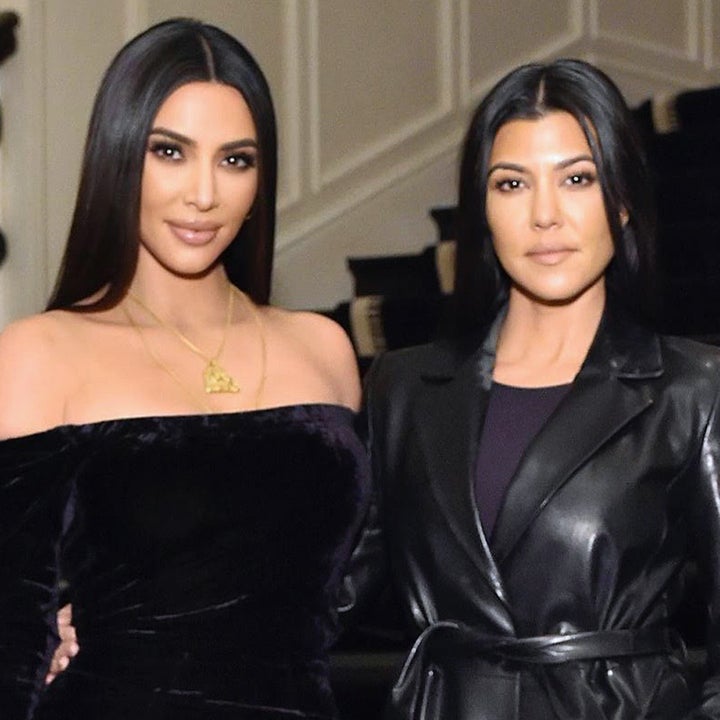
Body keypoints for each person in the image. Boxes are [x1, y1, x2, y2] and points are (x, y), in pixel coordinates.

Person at [0, 17, 369, 720]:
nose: (204, 193)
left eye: (236, 160)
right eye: (169, 151)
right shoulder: (38, 355)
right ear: (118, 155)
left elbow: (339, 592)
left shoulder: (322, 349)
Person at [339, 59, 720, 719]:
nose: (545, 215)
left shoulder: (694, 391)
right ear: (484, 210)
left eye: (577, 179)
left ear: (623, 201)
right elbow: (320, 602)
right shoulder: (403, 389)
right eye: (512, 184)